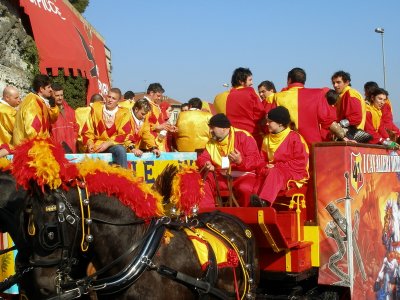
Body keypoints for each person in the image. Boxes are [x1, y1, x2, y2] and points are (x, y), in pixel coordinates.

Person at [197, 113, 262, 208]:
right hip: (222, 177)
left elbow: (255, 160)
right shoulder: (211, 142)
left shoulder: (243, 136)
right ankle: (208, 216)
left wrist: (240, 161)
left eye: (212, 128)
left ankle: (247, 219)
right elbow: (203, 158)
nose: (210, 131)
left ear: (224, 128)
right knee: (203, 183)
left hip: (244, 176)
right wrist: (206, 163)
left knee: (245, 188)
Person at [252, 106, 309, 207]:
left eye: (270, 121)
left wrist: (276, 167)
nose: (267, 123)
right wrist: (265, 166)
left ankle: (264, 202)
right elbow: (262, 160)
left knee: (274, 172)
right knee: (260, 174)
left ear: (280, 123)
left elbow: (300, 163)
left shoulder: (294, 138)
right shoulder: (266, 139)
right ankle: (252, 204)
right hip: (273, 171)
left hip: (293, 173)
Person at [273, 67, 337, 146]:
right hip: (312, 146)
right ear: (304, 80)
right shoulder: (318, 94)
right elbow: (327, 120)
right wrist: (344, 137)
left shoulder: (277, 97)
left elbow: (271, 122)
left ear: (289, 80)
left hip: (287, 146)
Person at [83, 88, 134, 168]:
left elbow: (124, 134)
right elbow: (87, 130)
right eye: (109, 97)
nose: (110, 100)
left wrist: (108, 143)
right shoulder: (96, 109)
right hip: (96, 145)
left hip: (113, 145)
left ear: (118, 101)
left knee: (120, 150)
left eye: (113, 98)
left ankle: (123, 177)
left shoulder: (124, 113)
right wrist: (90, 143)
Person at [225, 67, 267, 147]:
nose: (252, 83)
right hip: (250, 135)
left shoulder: (230, 95)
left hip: (234, 136)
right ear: (241, 81)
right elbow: (260, 113)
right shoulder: (250, 92)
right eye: (250, 80)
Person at [13, 74, 59, 145]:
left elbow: (53, 119)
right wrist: (41, 147)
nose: (51, 90)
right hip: (31, 149)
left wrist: (53, 105)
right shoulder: (33, 102)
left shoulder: (40, 101)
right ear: (41, 89)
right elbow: (33, 129)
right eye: (49, 87)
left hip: (38, 147)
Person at [139, 83, 175, 150]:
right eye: (158, 96)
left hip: (157, 142)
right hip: (147, 145)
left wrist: (168, 127)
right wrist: (158, 127)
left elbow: (158, 122)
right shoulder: (144, 104)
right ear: (151, 93)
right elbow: (141, 125)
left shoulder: (154, 105)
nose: (159, 98)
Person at [49, 83, 78, 153]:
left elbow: (76, 127)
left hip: (72, 151)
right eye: (57, 95)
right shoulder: (49, 111)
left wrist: (74, 139)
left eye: (61, 95)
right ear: (52, 96)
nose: (60, 98)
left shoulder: (70, 110)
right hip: (56, 151)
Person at [0, 86, 21, 157]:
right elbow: (18, 129)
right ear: (7, 98)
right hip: (5, 148)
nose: (19, 100)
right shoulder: (8, 112)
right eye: (16, 98)